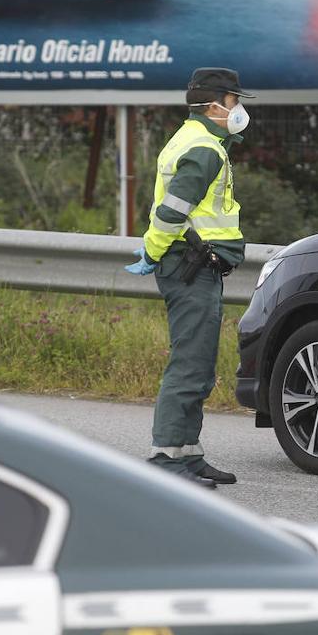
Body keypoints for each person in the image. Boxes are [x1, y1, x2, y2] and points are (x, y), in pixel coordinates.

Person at [125, 68, 253, 488]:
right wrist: (154, 250)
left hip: (197, 266)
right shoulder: (204, 149)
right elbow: (172, 211)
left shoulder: (199, 140)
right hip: (189, 265)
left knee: (200, 365)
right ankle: (165, 457)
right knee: (189, 366)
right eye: (235, 100)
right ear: (216, 104)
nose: (239, 108)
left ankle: (188, 454)